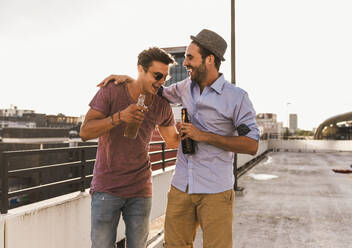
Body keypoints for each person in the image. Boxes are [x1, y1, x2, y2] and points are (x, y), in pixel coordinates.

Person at [100, 29, 259, 248]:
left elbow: (251, 144)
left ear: (210, 59)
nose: (185, 63)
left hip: (216, 190)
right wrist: (131, 79)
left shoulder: (237, 98)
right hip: (181, 187)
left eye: (191, 57)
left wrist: (202, 135)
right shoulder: (185, 87)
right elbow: (157, 90)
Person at [80, 47, 180, 248]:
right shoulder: (111, 91)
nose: (161, 82)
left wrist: (192, 131)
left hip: (140, 189)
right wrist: (120, 117)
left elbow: (172, 141)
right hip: (107, 188)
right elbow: (85, 132)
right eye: (157, 75)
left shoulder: (161, 105)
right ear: (140, 69)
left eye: (165, 78)